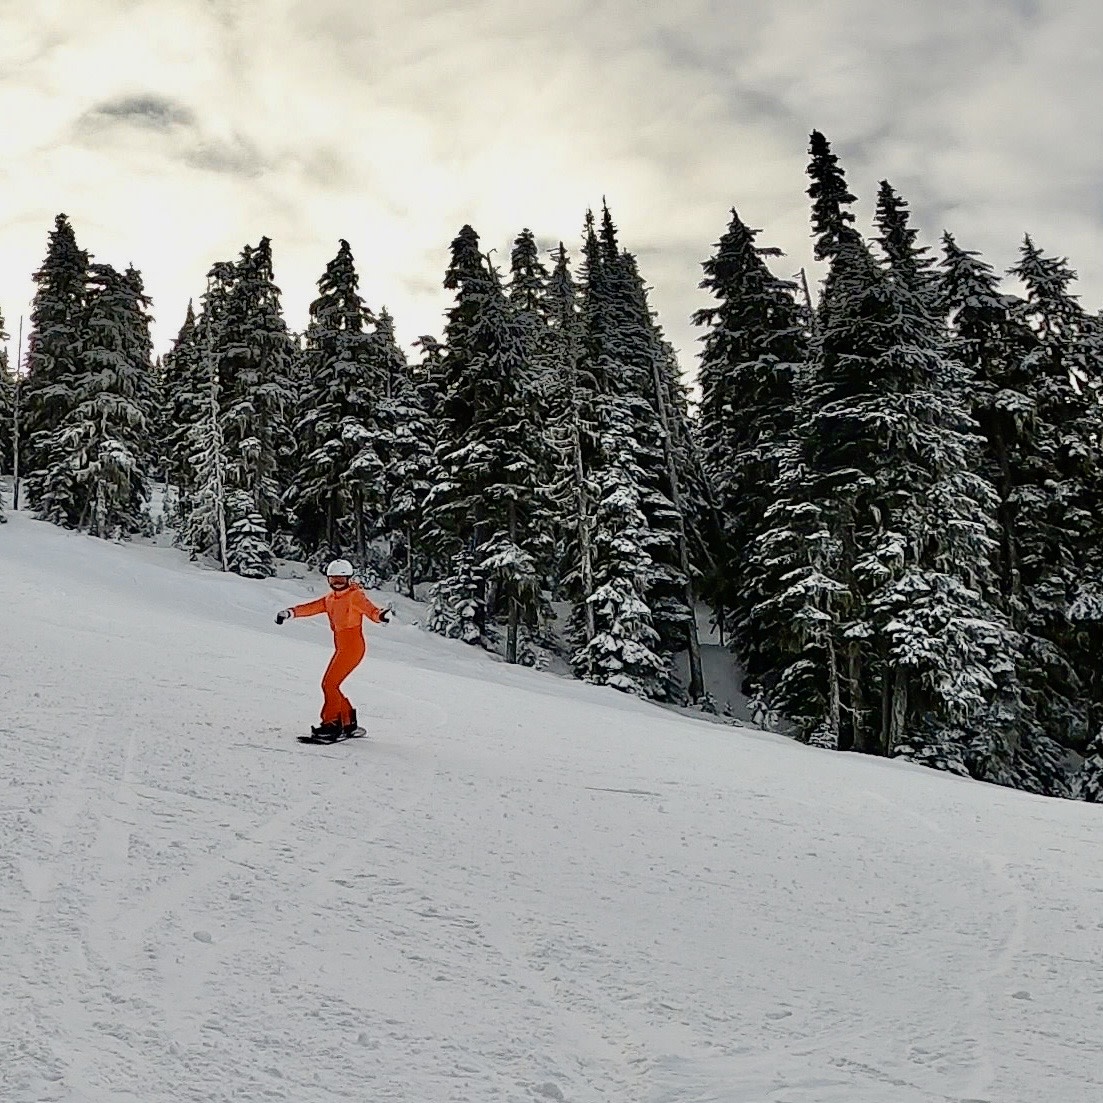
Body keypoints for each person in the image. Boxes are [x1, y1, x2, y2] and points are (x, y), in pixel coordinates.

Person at [275, 559, 391, 738]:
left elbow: (370, 609)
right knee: (332, 685)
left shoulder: (354, 595)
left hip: (353, 647)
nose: (337, 584)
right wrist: (290, 612)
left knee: (329, 684)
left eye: (341, 580)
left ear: (348, 579)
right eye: (333, 580)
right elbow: (311, 607)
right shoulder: (330, 599)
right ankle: (348, 722)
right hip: (341, 647)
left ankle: (332, 724)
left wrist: (380, 616)